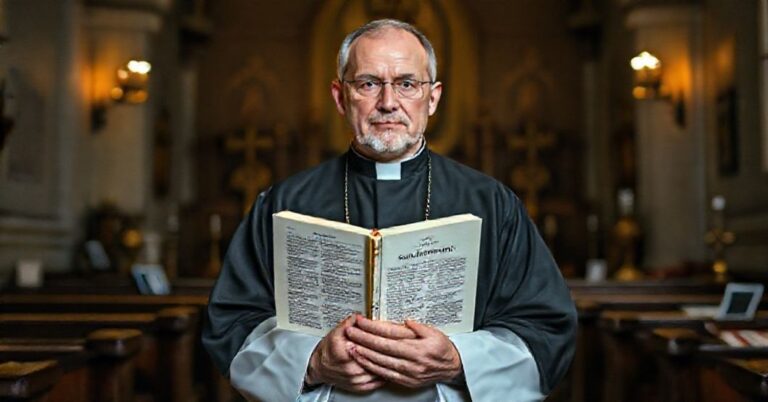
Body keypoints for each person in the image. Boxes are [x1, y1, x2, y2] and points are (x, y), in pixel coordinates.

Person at [203, 19, 576, 402]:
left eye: (407, 84)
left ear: (433, 98)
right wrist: (312, 361)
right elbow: (232, 324)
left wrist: (457, 359)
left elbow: (545, 329)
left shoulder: (492, 204)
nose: (388, 102)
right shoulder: (284, 203)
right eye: (368, 84)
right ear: (340, 97)